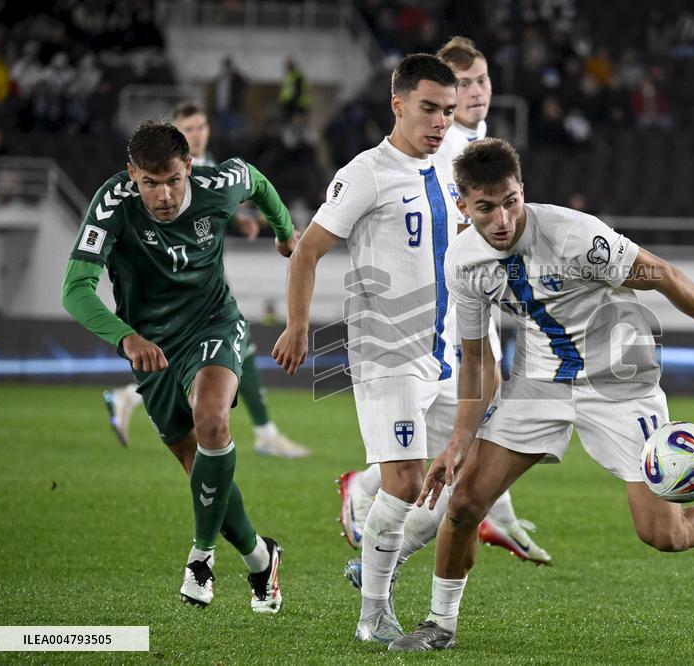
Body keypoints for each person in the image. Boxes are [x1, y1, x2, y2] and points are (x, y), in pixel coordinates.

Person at [390, 138, 694, 651]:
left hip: (620, 384)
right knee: (464, 503)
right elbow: (479, 359)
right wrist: (461, 439)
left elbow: (661, 274)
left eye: (511, 201)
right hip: (538, 384)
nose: (503, 218)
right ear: (462, 206)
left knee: (664, 535)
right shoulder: (462, 262)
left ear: (522, 190)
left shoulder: (575, 235)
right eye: (486, 208)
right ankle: (440, 624)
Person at [62, 120, 298, 612]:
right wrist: (126, 337)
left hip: (214, 323)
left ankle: (201, 558)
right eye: (150, 183)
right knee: (200, 470)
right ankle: (260, 558)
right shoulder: (113, 204)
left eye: (173, 179)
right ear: (132, 175)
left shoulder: (217, 186)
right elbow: (75, 289)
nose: (164, 194)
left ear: (189, 166)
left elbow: (256, 180)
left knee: (212, 421)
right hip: (150, 347)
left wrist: (284, 232)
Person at [338, 37, 552, 577]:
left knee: (470, 442)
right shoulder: (436, 148)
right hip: (431, 323)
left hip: (466, 306)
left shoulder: (476, 141)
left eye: (481, 80)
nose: (475, 92)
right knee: (461, 449)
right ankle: (376, 497)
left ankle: (477, 514)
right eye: (464, 84)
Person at [271, 54, 462, 644]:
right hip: (387, 352)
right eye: (429, 108)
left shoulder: (450, 169)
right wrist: (299, 325)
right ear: (397, 103)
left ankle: (366, 519)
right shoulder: (366, 173)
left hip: (444, 353)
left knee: (444, 491)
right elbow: (307, 250)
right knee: (407, 483)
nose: (439, 122)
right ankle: (373, 616)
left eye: (449, 112)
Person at [102, 102, 310, 459]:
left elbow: (217, 203)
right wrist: (280, 230)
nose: (196, 134)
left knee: (227, 352)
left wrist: (244, 221)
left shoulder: (209, 166)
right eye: (189, 128)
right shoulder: (169, 175)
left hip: (204, 280)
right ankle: (263, 433)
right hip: (178, 288)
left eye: (201, 127)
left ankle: (130, 397)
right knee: (226, 351)